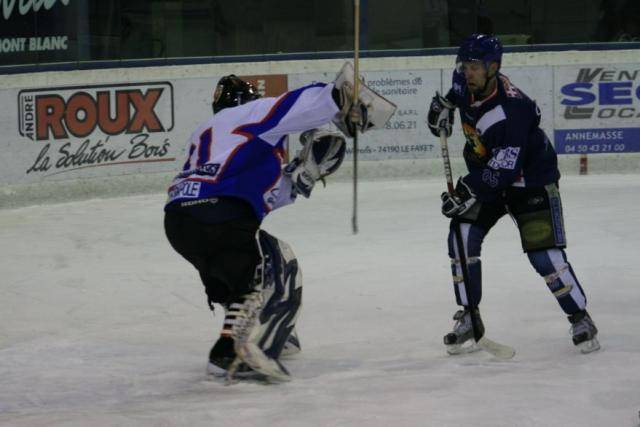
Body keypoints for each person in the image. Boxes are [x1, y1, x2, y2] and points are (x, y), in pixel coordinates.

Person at [163, 68, 377, 381]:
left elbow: (254, 197)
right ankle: (242, 349)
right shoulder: (250, 113)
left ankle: (248, 338)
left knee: (240, 280)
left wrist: (303, 175)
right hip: (218, 214)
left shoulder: (209, 135)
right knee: (278, 261)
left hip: (181, 223)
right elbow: (303, 103)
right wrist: (341, 98)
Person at [427, 34, 600, 355]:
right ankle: (469, 316)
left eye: (475, 67)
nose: (468, 73)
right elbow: (456, 95)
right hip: (488, 178)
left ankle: (580, 317)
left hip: (529, 181)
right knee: (461, 238)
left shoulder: (513, 111)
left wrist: (466, 189)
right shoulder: (467, 83)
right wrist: (445, 107)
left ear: (493, 68)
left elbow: (504, 171)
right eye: (465, 66)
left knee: (543, 255)